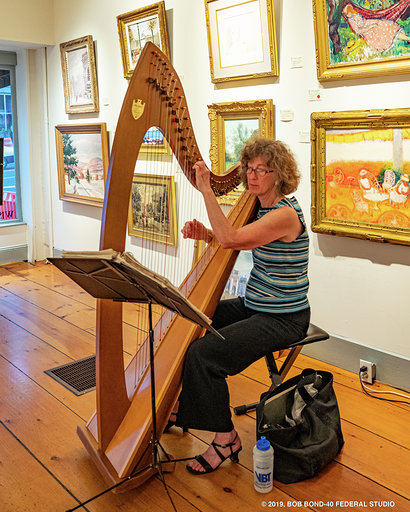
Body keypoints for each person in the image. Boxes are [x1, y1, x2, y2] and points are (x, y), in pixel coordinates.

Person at [166, 137, 310, 475]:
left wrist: (205, 189)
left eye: (262, 169)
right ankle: (185, 405)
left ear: (280, 175)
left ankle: (225, 438)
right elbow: (234, 237)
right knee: (191, 316)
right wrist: (205, 234)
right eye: (249, 168)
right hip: (256, 304)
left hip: (284, 318)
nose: (253, 175)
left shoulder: (285, 214)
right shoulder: (257, 208)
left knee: (204, 354)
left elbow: (232, 239)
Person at [342, 3, 410, 53]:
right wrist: (370, 26)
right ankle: (407, 38)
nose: (348, 14)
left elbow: (365, 19)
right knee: (386, 32)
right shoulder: (351, 20)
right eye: (347, 13)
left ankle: (407, 38)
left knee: (387, 25)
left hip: (370, 23)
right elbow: (358, 31)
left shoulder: (355, 15)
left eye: (349, 12)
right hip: (368, 31)